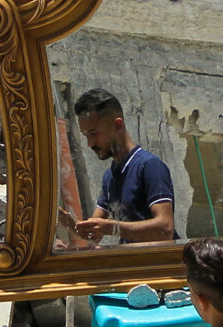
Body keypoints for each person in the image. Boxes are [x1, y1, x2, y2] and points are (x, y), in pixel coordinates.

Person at [70, 88, 176, 245]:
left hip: (159, 266)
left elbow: (165, 229)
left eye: (94, 133)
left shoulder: (150, 167)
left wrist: (112, 228)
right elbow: (94, 232)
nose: (90, 144)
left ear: (118, 125)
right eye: (85, 135)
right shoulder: (109, 177)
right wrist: (70, 224)